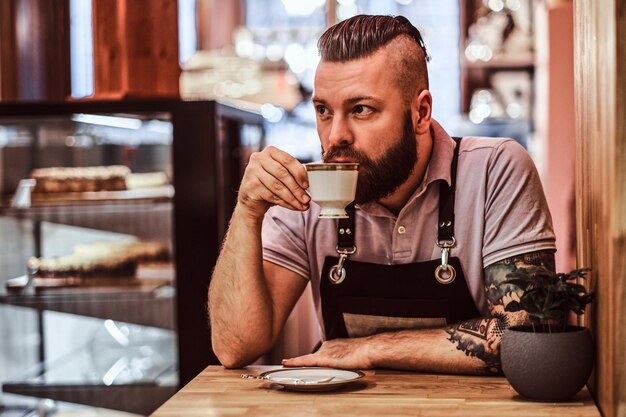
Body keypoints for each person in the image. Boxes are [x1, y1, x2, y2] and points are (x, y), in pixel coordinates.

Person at [208, 14, 556, 375]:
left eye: (361, 109)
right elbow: (234, 348)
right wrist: (247, 210)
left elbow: (527, 334)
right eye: (324, 110)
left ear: (420, 112)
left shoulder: (494, 170)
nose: (335, 136)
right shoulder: (305, 192)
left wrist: (373, 348)